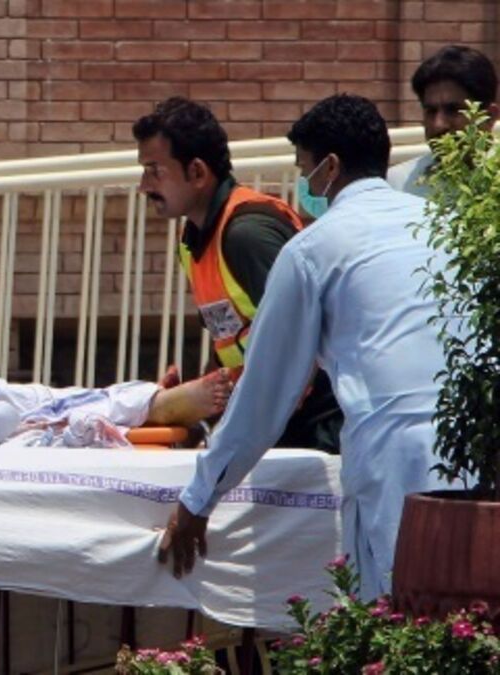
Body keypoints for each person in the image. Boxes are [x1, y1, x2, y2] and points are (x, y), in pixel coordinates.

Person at [158, 94, 452, 599]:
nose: (305, 188)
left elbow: (264, 395)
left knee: (397, 616)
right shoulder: (444, 227)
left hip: (390, 459)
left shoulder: (312, 250)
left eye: (305, 171)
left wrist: (198, 500)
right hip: (472, 447)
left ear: (330, 167)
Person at [133, 97, 342, 452]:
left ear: (197, 172)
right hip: (275, 422)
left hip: (317, 427)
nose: (144, 186)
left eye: (155, 171)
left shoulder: (247, 235)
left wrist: (245, 431)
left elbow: (304, 336)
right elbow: (229, 341)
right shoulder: (194, 242)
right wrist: (197, 403)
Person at [389, 45, 499, 197]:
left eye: (453, 110)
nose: (438, 125)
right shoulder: (399, 186)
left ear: (489, 117)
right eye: (431, 111)